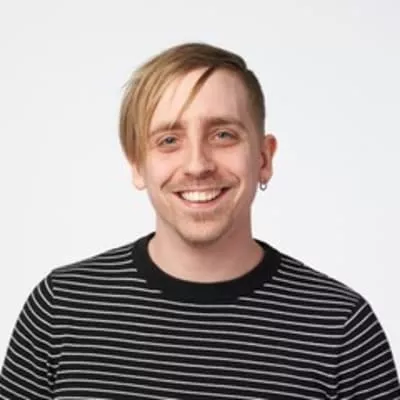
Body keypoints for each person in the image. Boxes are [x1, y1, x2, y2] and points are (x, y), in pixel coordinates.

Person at [1, 42, 399, 400]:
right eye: (168, 140)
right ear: (138, 165)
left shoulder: (341, 327)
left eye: (223, 135)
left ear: (263, 158)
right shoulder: (60, 308)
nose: (197, 165)